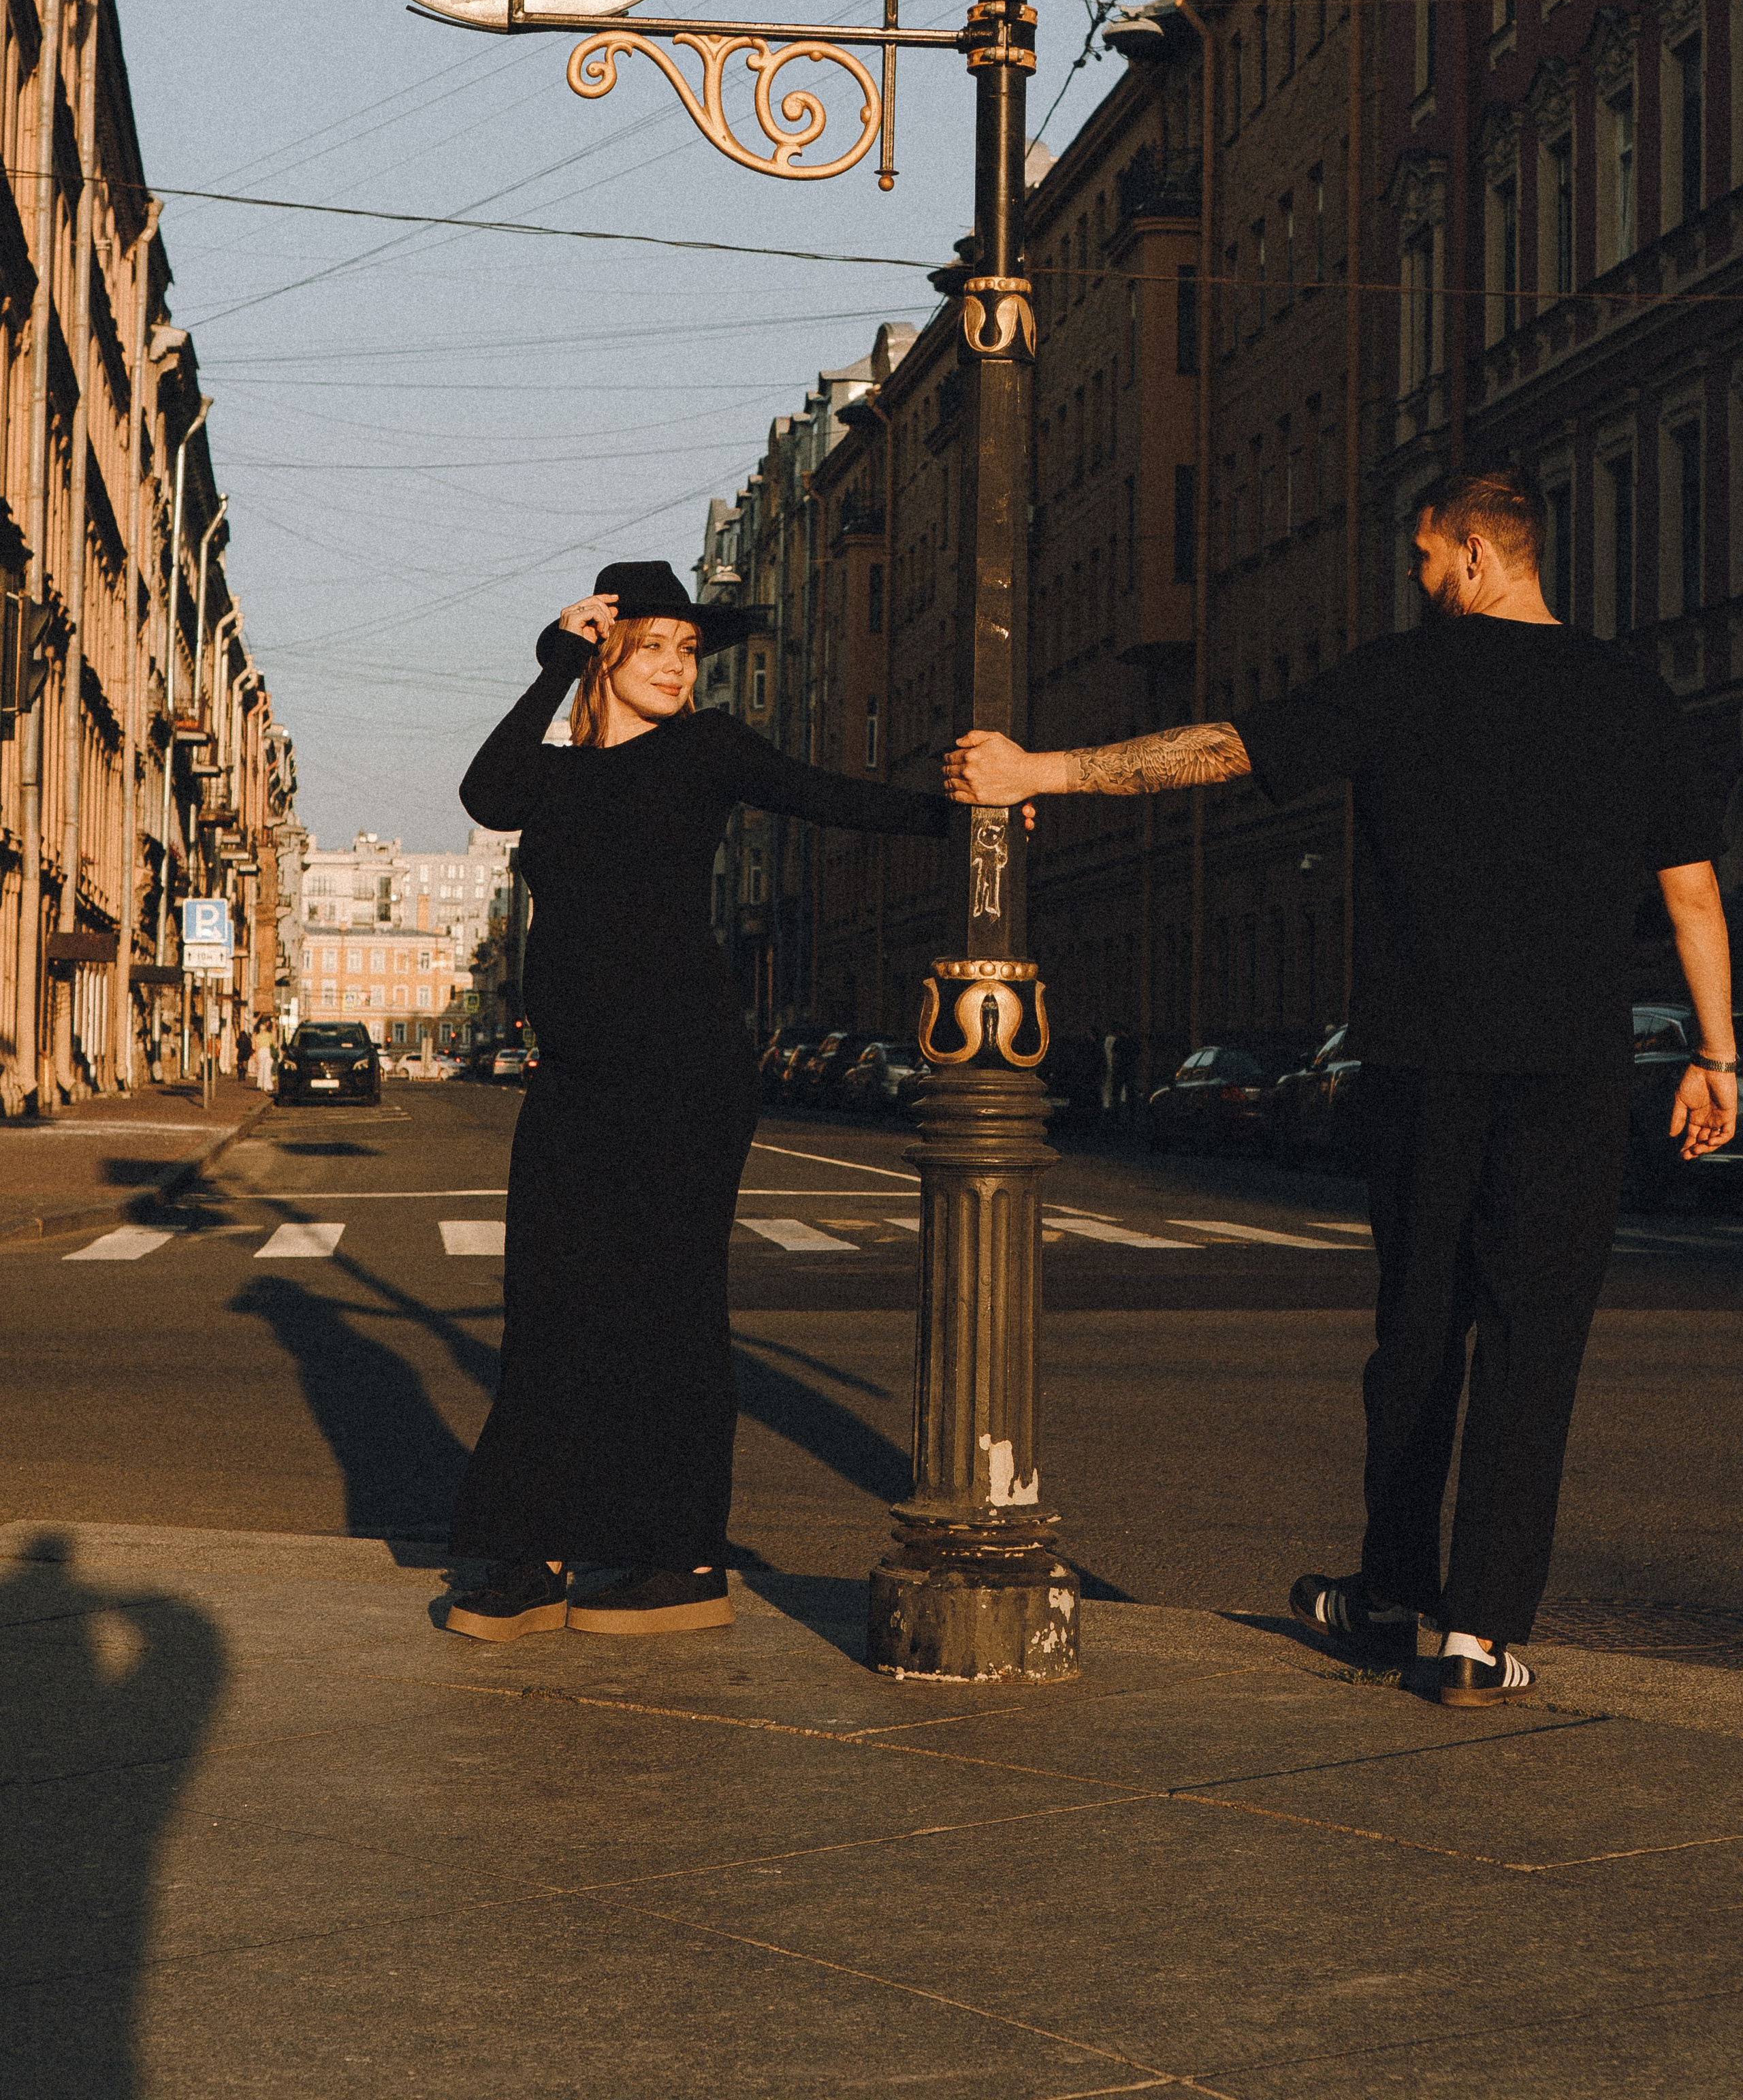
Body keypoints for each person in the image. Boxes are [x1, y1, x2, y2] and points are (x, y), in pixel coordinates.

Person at [943, 465, 1736, 1708]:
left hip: (1423, 1062)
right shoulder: (1633, 692)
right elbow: (1693, 893)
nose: (1418, 581)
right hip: (1575, 1069)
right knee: (1538, 1348)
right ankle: (1480, 1636)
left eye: (1426, 558)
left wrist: (1043, 773)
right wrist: (1717, 1056)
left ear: (1475, 555)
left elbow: (1222, 751)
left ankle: (1387, 1595)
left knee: (1418, 1331)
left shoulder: (1399, 677)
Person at [445, 560, 950, 1644]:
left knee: (667, 1306)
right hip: (576, 1076)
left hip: (683, 1070)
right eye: (655, 647)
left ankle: (676, 1560)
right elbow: (486, 792)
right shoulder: (559, 773)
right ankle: (533, 1553)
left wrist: (967, 814)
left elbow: (830, 796)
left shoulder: (709, 752)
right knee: (549, 1300)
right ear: (608, 653)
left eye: (689, 651)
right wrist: (556, 655)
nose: (679, 667)